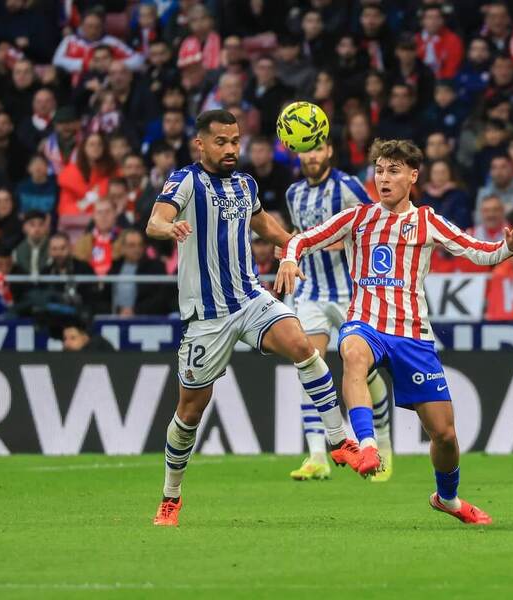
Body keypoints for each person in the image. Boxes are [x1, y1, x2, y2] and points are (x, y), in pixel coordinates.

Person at [277, 138, 513, 525]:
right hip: (365, 321)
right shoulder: (357, 218)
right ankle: (366, 445)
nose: (384, 177)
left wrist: (507, 247)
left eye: (393, 170)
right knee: (353, 354)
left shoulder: (428, 221)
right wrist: (291, 259)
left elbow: (480, 252)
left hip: (413, 334)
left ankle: (447, 498)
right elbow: (301, 238)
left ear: (413, 176)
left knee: (444, 435)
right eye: (379, 170)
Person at [145, 110, 364, 527]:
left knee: (302, 344)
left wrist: (295, 248)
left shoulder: (246, 184)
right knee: (190, 412)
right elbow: (157, 218)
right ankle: (171, 496)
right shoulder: (185, 180)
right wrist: (166, 228)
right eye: (221, 142)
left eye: (235, 141)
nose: (231, 149)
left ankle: (339, 439)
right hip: (206, 316)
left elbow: (266, 225)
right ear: (201, 144)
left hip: (249, 298)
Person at [283, 138, 394, 483]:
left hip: (350, 292)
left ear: (330, 151)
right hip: (312, 291)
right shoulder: (293, 194)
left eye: (318, 149)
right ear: (298, 153)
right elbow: (301, 236)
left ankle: (383, 447)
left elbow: (376, 223)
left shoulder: (348, 187)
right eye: (306, 150)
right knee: (308, 364)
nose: (312, 156)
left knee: (364, 370)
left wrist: (335, 243)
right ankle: (318, 455)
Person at [109, 229, 172, 316]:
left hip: (146, 319)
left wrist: (134, 311)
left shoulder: (155, 267)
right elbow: (106, 297)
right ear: (123, 248)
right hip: (116, 317)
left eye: (140, 245)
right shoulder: (115, 267)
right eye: (132, 245)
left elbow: (161, 297)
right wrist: (119, 311)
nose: (137, 249)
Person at [13, 210, 49, 275]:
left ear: (46, 228)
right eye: (32, 225)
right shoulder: (17, 249)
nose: (37, 229)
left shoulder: (53, 248)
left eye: (41, 224)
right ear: (24, 227)